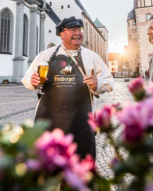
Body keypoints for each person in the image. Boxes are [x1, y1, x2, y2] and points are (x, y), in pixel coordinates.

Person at [22, 17, 114, 160]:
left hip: (81, 125)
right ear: (62, 34)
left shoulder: (91, 57)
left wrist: (97, 84)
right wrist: (32, 81)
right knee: (46, 169)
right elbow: (27, 77)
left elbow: (109, 82)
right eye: (73, 30)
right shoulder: (46, 55)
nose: (78, 33)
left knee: (80, 170)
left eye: (79, 30)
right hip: (48, 123)